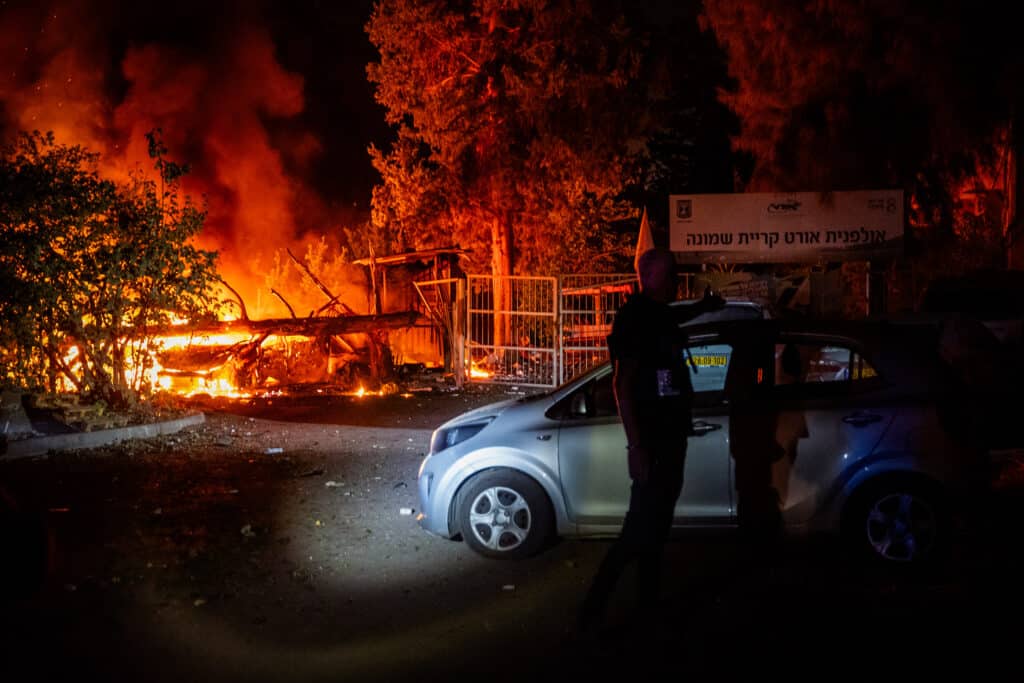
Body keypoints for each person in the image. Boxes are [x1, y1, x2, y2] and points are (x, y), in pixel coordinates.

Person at [577, 248, 724, 632]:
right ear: (653, 276)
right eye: (672, 275)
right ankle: (591, 613)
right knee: (638, 527)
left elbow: (678, 315)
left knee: (656, 526)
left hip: (671, 437)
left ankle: (647, 605)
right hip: (653, 442)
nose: (677, 281)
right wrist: (636, 446)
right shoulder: (634, 319)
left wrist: (705, 306)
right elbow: (621, 383)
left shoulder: (659, 313)